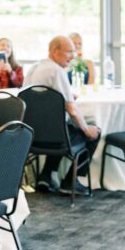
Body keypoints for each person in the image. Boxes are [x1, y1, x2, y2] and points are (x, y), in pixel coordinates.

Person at [24, 35, 101, 196]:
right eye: (69, 52)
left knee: (62, 127)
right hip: (56, 138)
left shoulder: (35, 67)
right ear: (55, 51)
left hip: (33, 136)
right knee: (92, 132)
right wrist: (87, 129)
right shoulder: (57, 71)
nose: (73, 57)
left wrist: (65, 96)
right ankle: (71, 181)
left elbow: (35, 97)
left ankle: (46, 176)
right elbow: (72, 110)